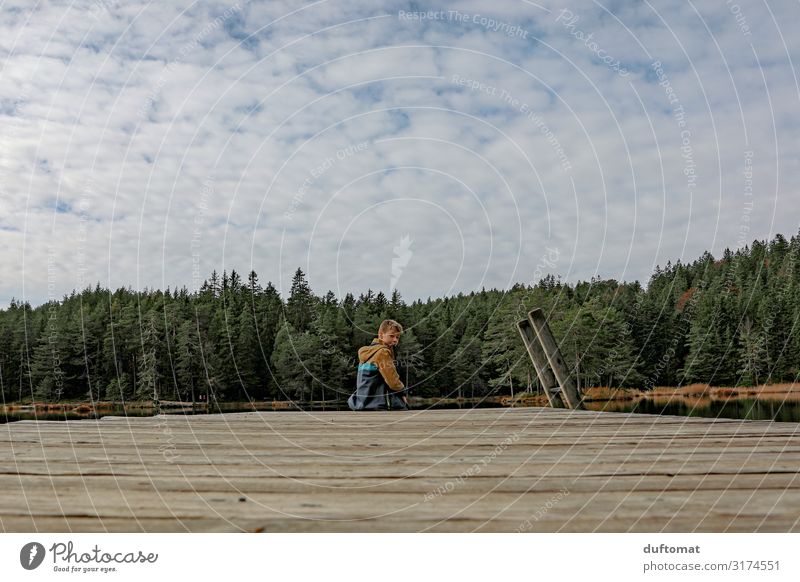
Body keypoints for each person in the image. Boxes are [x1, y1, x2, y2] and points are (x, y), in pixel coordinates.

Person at [347, 319, 409, 410]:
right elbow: (393, 381)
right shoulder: (382, 352)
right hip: (379, 405)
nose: (395, 340)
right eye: (392, 336)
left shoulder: (368, 352)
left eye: (397, 337)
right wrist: (403, 392)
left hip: (362, 403)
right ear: (381, 335)